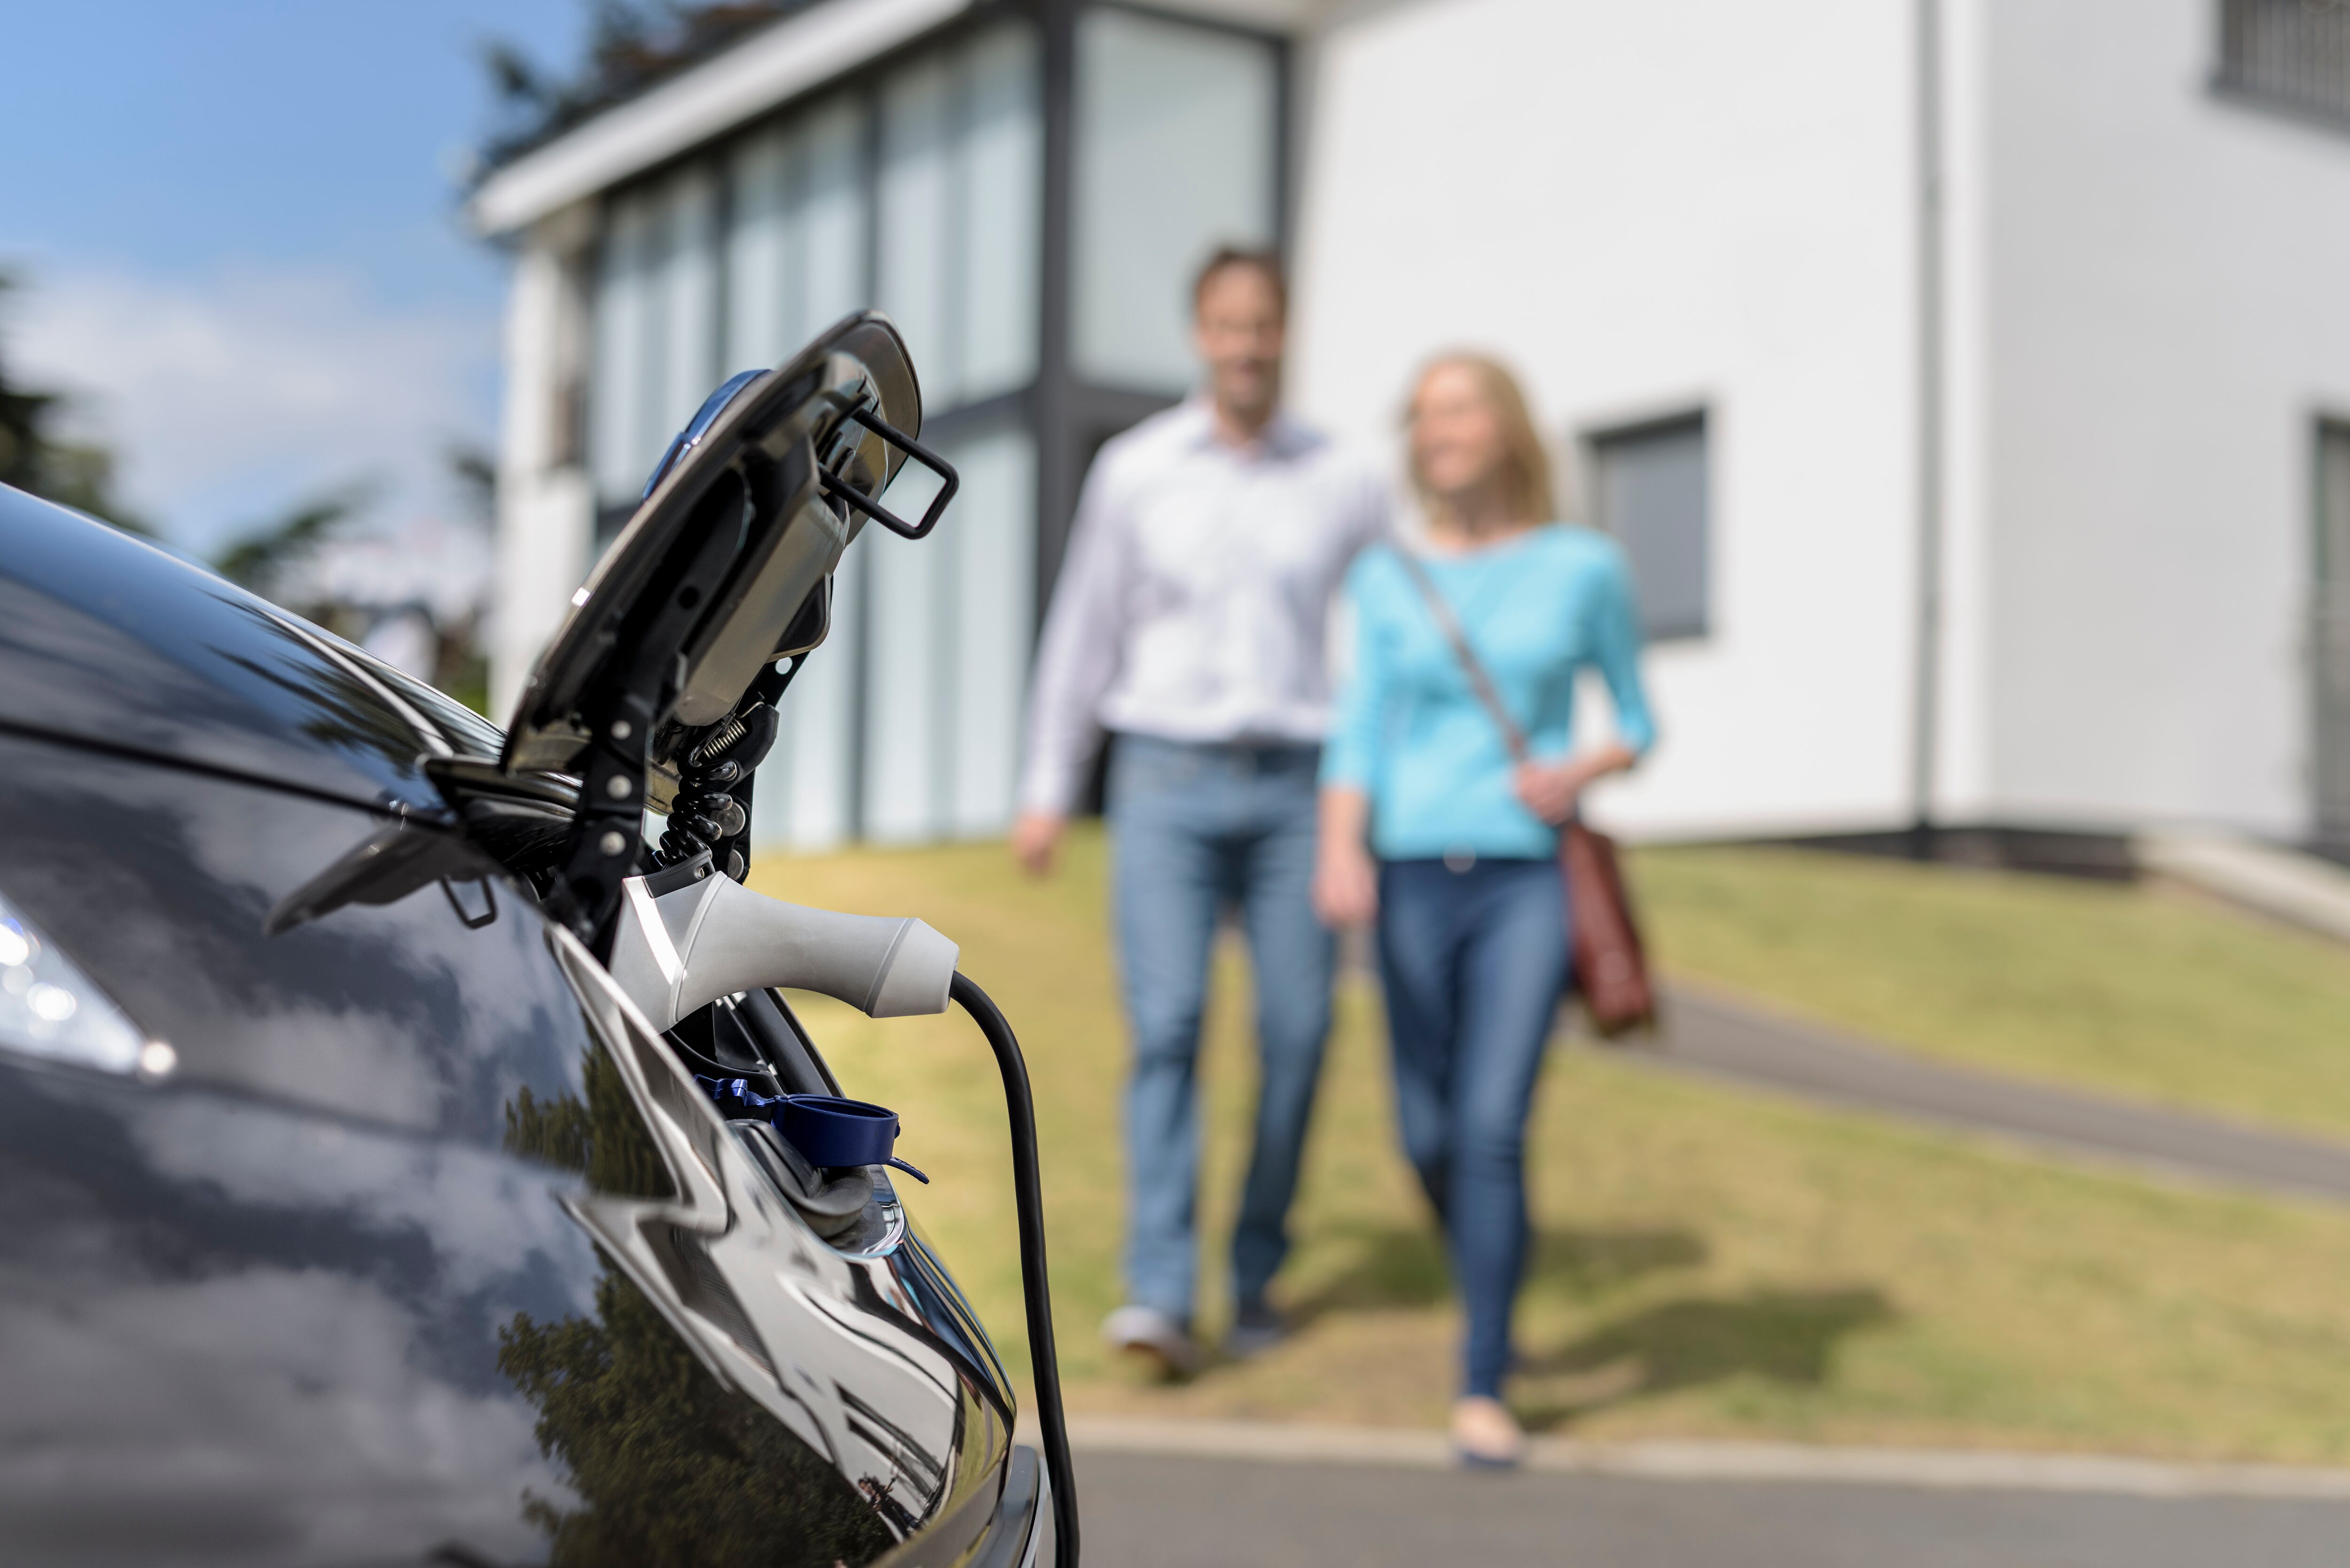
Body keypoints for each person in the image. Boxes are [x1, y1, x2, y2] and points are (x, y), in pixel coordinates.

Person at [1013, 248, 1391, 1376]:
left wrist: (1369, 797)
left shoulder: (1346, 476)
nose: (1246, 344)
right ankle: (1162, 1292)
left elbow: (1379, 645)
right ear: (1199, 334)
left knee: (1300, 1029)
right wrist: (1047, 783)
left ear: (1286, 332)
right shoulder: (1136, 471)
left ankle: (1258, 1267)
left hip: (1296, 784)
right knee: (1169, 1025)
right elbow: (1085, 627)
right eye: (1227, 325)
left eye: (1263, 324)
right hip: (1164, 776)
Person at [1312, 353, 1655, 1466]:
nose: (1435, 430)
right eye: (1420, 416)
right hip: (1411, 871)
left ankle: (1483, 1377)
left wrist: (1582, 766)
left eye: (1456, 408)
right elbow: (1360, 723)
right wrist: (1338, 847)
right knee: (1426, 1134)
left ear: (1505, 425)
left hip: (1525, 877)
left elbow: (1639, 719)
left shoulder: (1583, 567)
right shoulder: (1386, 576)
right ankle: (1496, 1279)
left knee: (1491, 1124)